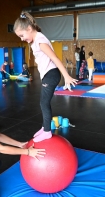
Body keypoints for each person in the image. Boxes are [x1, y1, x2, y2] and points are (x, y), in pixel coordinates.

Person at [14, 12, 77, 142]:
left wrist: (67, 76)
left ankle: (47, 131)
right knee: (44, 102)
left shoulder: (40, 41)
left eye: (22, 35)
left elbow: (55, 58)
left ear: (29, 29)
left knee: (44, 102)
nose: (21, 39)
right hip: (48, 74)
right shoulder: (36, 39)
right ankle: (45, 127)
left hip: (51, 74)